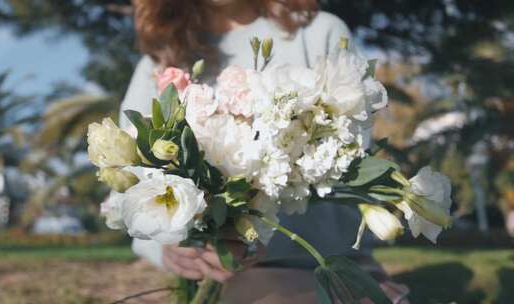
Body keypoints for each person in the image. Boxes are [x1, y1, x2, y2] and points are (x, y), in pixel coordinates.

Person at [120, 0, 410, 303]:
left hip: (323, 261)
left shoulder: (320, 31)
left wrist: (252, 226)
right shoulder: (158, 63)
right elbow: (128, 181)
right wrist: (167, 246)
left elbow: (350, 153)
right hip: (221, 277)